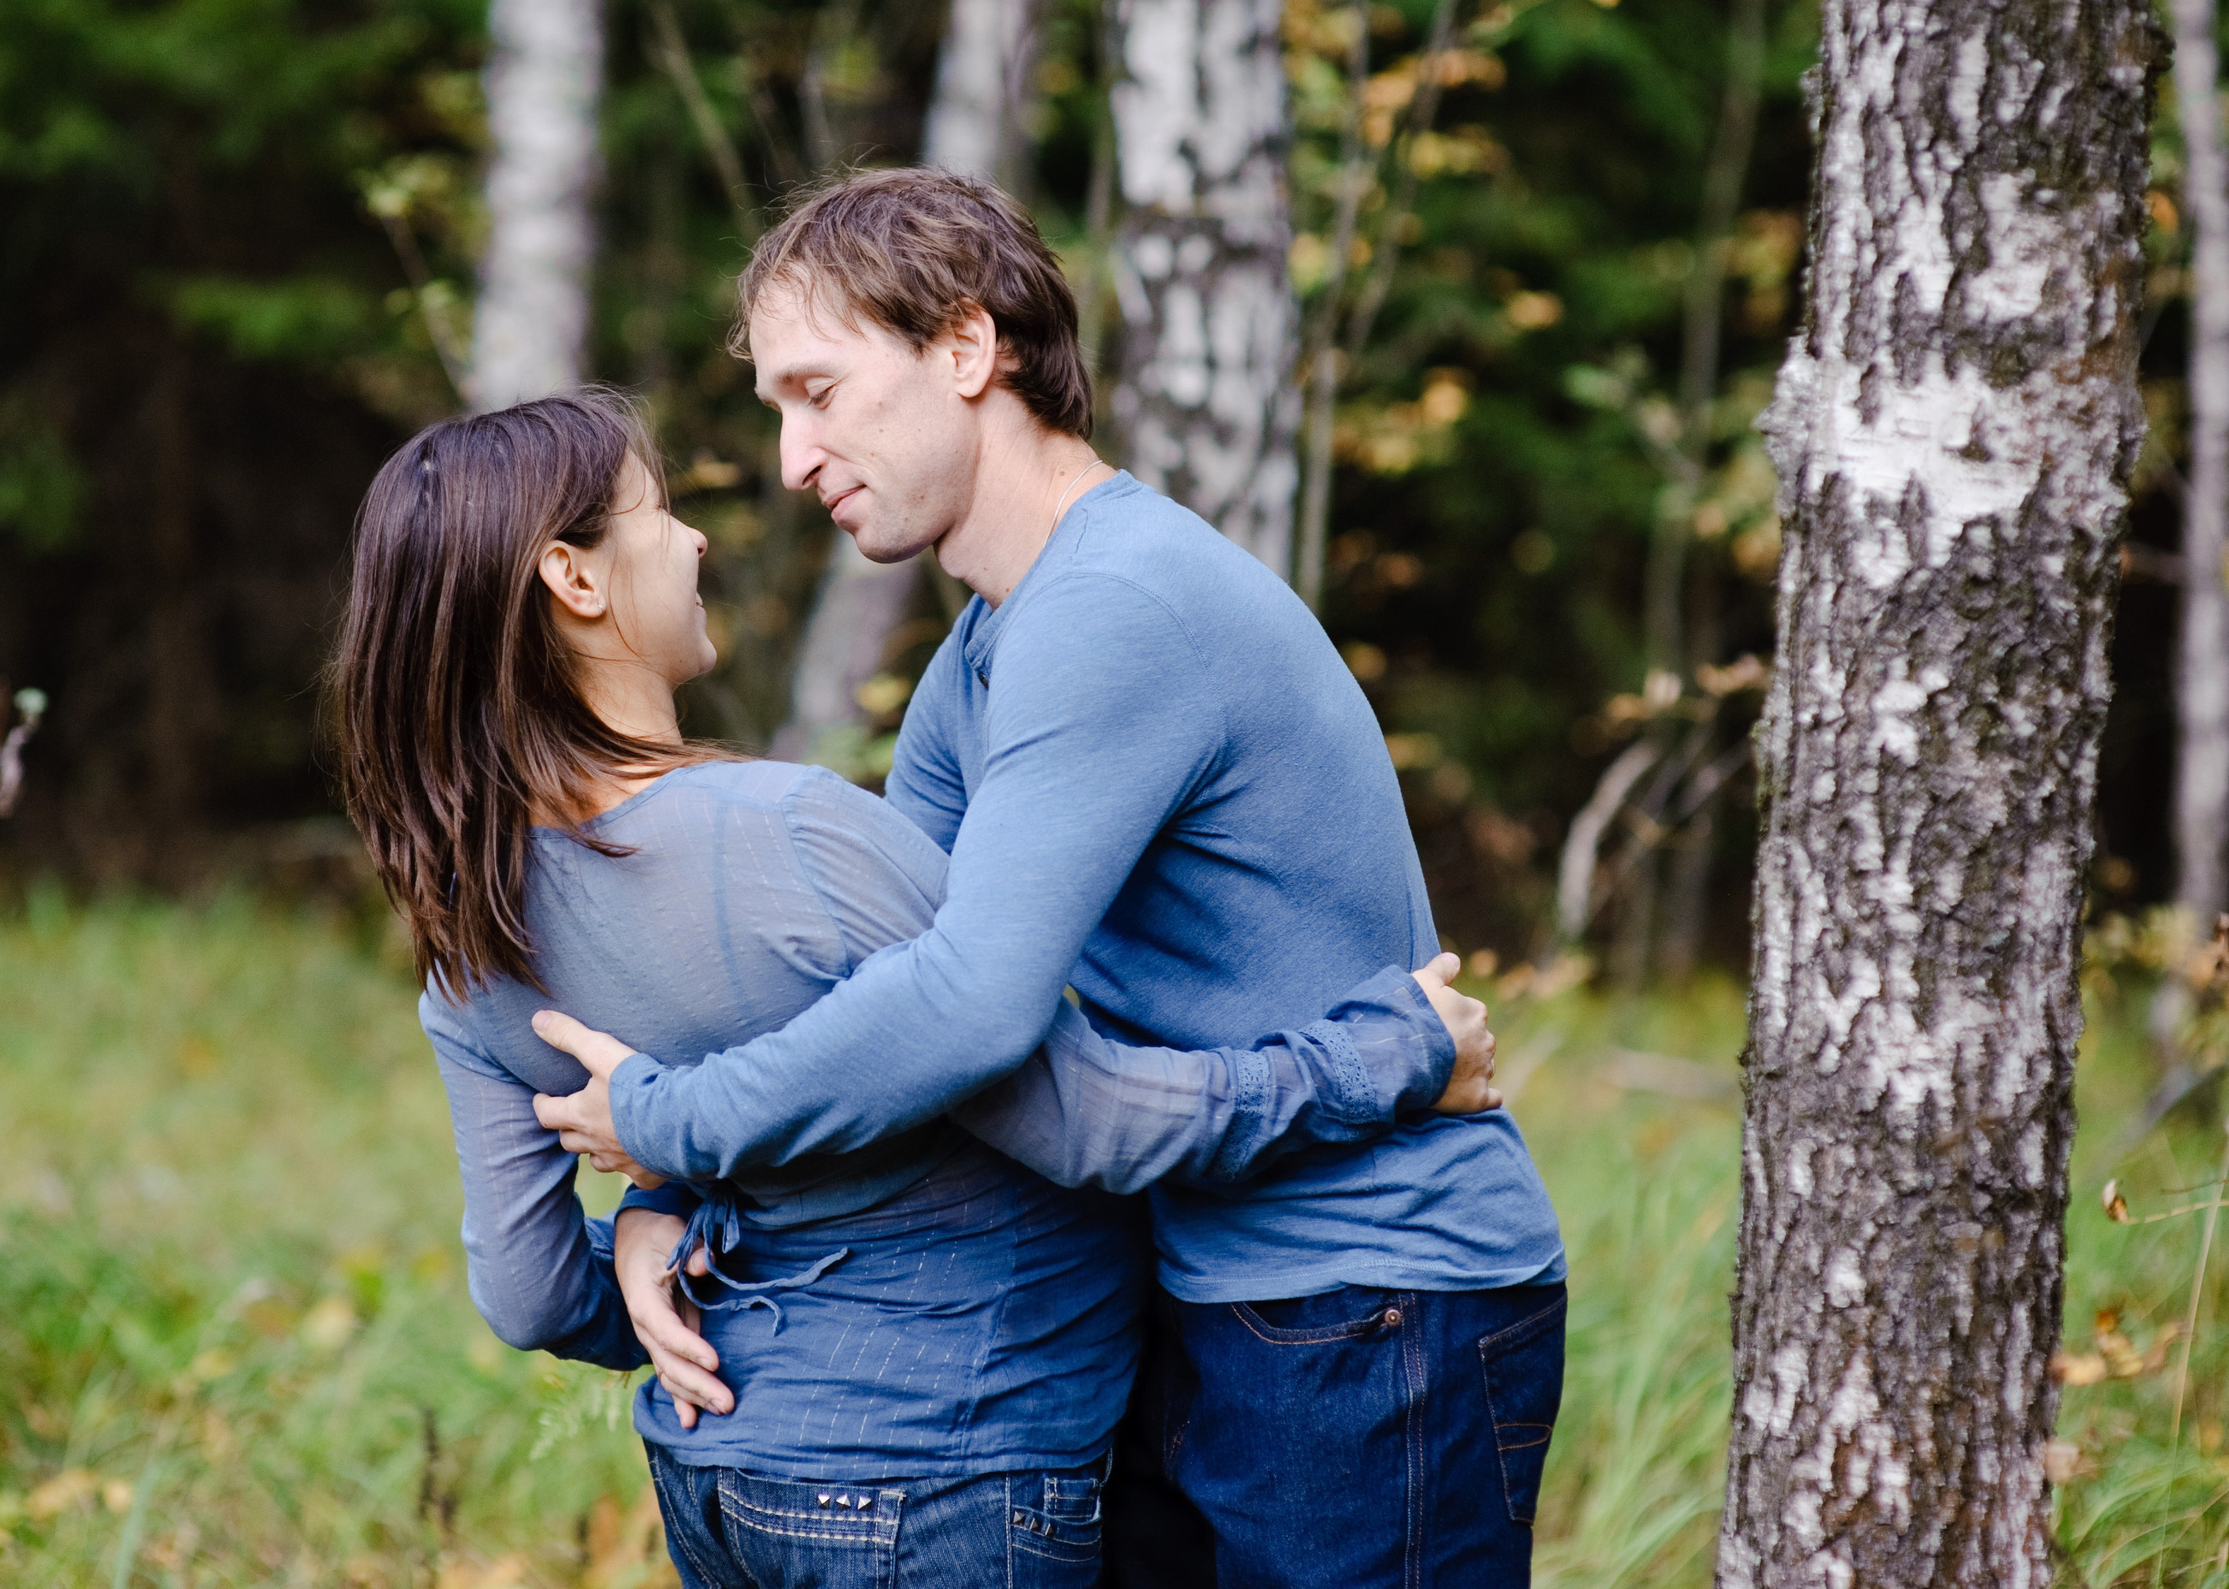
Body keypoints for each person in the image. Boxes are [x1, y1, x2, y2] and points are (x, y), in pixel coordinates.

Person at [531, 169, 1569, 1589]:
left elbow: (963, 1015)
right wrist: (668, 1198)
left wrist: (670, 1120)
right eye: (780, 406)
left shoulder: (1115, 608)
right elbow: (888, 1010)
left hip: (1365, 1297)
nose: (790, 457)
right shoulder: (990, 649)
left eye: (818, 391)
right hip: (1189, 1290)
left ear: (967, 348)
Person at [326, 390, 1500, 1586]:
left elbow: (527, 1294)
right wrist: (1388, 1052)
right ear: (574, 581)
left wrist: (647, 1221)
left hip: (717, 1473)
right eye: (659, 511)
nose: (695, 540)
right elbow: (1082, 1118)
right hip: (942, 1476)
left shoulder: (467, 947)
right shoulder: (791, 833)